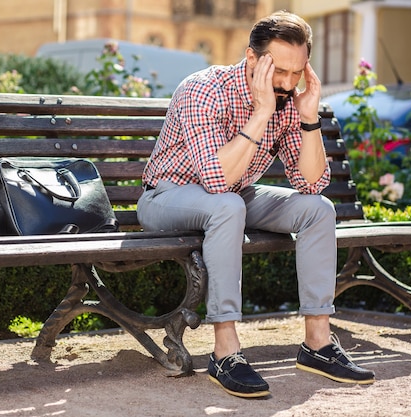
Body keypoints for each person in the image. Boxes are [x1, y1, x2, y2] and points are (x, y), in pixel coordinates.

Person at [137, 10, 375, 398]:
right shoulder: (203, 89)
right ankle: (225, 352)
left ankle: (318, 344)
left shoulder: (288, 100)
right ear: (252, 58)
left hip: (235, 197)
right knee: (228, 204)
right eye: (278, 70)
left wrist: (309, 118)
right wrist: (262, 111)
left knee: (319, 210)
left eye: (296, 73)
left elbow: (312, 183)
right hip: (166, 196)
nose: (286, 83)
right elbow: (217, 181)